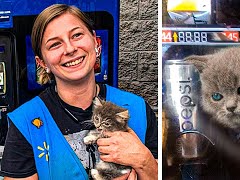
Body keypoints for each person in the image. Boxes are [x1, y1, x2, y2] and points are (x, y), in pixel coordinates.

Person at [0, 4, 158, 180]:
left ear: (95, 42)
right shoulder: (26, 123)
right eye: (54, 44)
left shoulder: (137, 109)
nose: (69, 49)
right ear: (42, 63)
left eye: (77, 35)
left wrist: (144, 160)